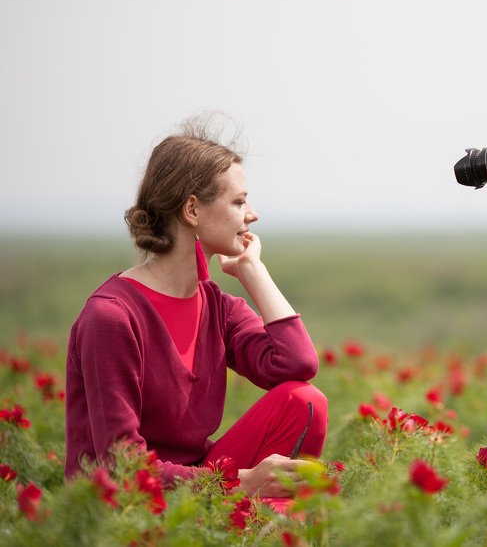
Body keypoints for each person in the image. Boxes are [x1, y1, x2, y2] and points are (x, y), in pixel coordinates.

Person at [65, 119, 327, 498]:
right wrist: (237, 485)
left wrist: (254, 271)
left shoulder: (216, 306)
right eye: (238, 201)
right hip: (122, 507)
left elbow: (297, 365)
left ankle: (259, 526)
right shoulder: (112, 316)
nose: (252, 214)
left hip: (199, 492)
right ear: (191, 210)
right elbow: (119, 465)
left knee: (304, 403)